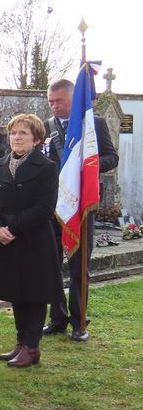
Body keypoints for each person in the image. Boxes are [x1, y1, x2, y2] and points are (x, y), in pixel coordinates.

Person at [0, 114, 62, 367]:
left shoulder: (47, 167)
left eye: (23, 133)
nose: (16, 137)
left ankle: (32, 347)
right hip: (6, 241)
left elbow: (45, 208)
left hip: (34, 241)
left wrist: (11, 227)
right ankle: (20, 343)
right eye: (13, 133)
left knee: (35, 294)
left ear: (36, 139)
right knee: (16, 292)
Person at [42, 79, 119, 341]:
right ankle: (57, 318)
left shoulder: (94, 123)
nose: (54, 106)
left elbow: (111, 157)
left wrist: (87, 165)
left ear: (73, 100)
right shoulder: (47, 126)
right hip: (53, 205)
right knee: (52, 264)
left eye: (59, 101)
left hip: (82, 206)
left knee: (79, 267)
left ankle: (79, 321)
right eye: (51, 101)